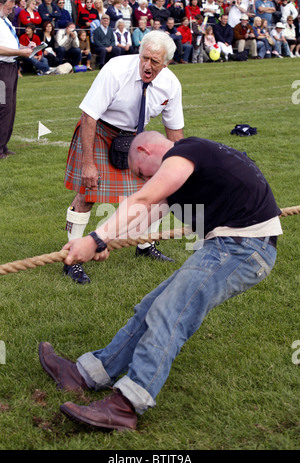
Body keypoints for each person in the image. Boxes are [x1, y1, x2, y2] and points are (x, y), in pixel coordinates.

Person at [39, 130, 282, 431]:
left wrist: (96, 237)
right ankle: (88, 374)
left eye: (140, 172)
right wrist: (99, 243)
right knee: (150, 308)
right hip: (230, 246)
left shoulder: (185, 151)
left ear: (145, 149)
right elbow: (143, 216)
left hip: (243, 247)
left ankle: (127, 405)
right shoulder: (184, 176)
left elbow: (142, 198)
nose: (143, 180)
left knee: (171, 314)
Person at [62, 31, 184, 284]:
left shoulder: (171, 85)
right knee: (88, 192)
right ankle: (72, 257)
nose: (147, 65)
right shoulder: (116, 69)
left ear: (167, 63)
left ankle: (144, 244)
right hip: (100, 130)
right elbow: (89, 116)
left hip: (135, 138)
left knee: (155, 191)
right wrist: (88, 163)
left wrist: (181, 167)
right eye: (145, 58)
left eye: (155, 61)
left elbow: (175, 132)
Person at [0, 0, 32, 159]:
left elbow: (10, 43)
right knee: (3, 106)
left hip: (11, 66)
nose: (10, 11)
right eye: (8, 8)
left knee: (10, 106)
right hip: (1, 69)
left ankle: (3, 145)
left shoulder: (5, 21)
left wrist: (25, 49)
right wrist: (19, 51)